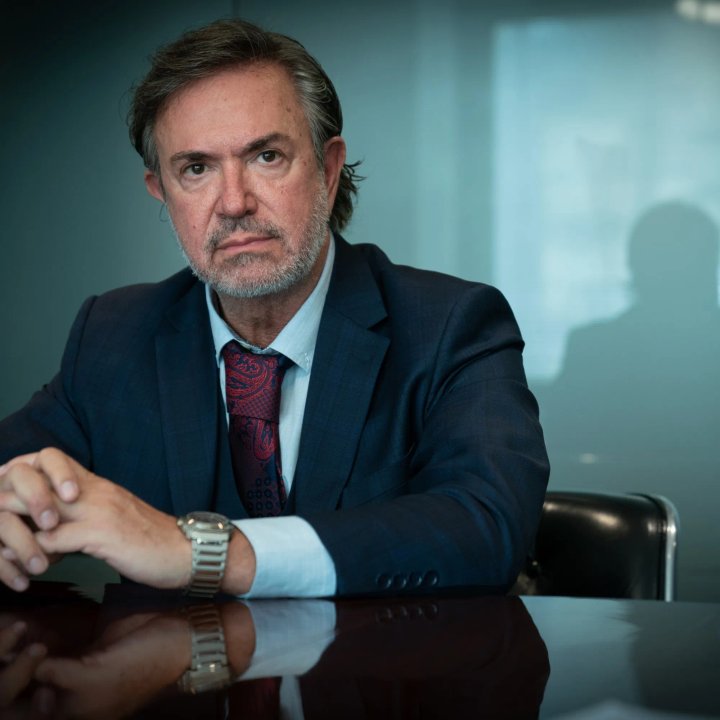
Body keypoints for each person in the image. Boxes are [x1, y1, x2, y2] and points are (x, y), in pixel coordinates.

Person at [0, 19, 549, 598]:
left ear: (328, 171)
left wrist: (200, 552)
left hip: (377, 659)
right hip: (164, 660)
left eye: (266, 156)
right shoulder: (113, 336)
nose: (233, 203)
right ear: (161, 191)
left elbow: (488, 525)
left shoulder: (451, 326)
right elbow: (14, 478)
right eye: (196, 169)